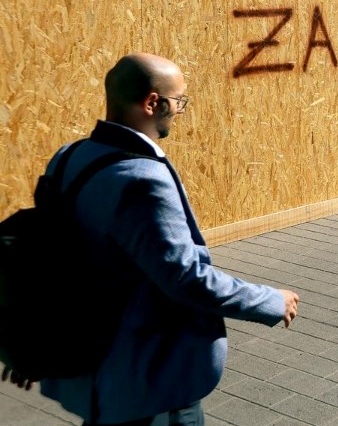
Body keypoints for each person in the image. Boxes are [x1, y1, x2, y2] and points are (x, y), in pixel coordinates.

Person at [1, 53, 300, 425]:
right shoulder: (143, 179)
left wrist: (34, 342)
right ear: (152, 103)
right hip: (145, 381)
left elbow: (49, 256)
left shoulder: (70, 157)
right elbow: (186, 279)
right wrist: (271, 300)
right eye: (179, 102)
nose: (180, 111)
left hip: (91, 368)